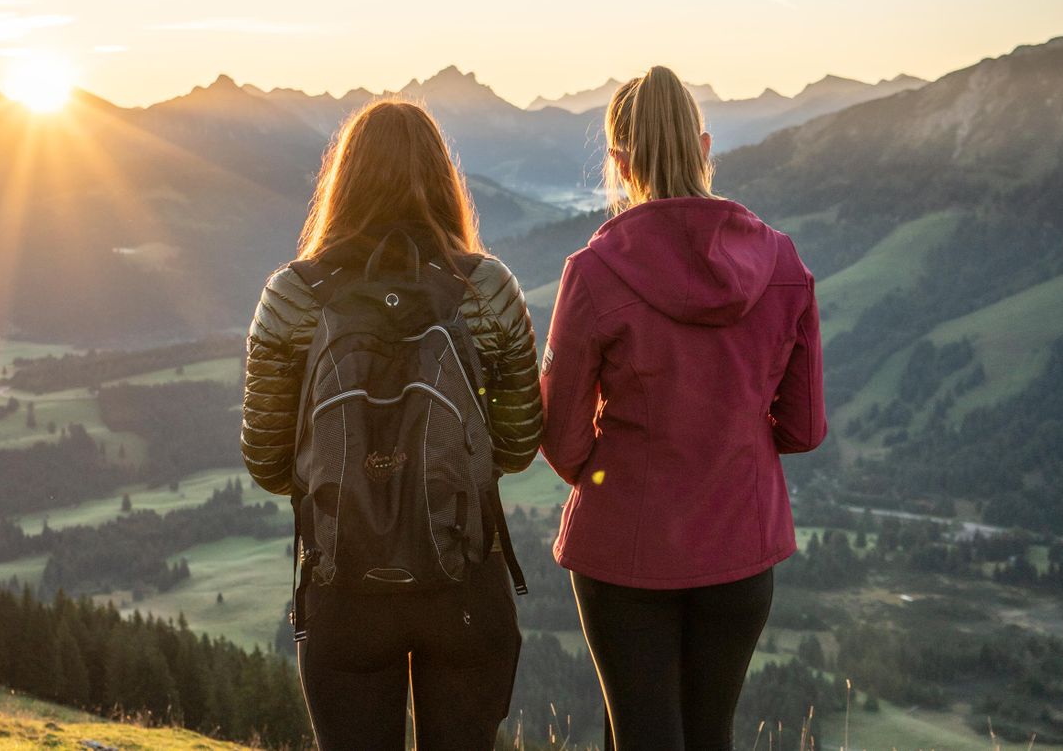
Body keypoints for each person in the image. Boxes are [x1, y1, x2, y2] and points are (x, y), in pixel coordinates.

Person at [240, 99, 543, 750]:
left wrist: (359, 479)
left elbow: (267, 461)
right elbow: (519, 446)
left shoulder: (291, 296)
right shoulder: (487, 289)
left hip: (342, 587)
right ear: (443, 179)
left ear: (342, 180)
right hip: (464, 579)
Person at [539, 66, 827, 751]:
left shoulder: (594, 272)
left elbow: (561, 437)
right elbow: (803, 427)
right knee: (708, 734)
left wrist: (612, 473)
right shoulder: (783, 264)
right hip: (742, 545)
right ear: (704, 148)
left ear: (620, 163)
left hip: (624, 551)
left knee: (639, 734)